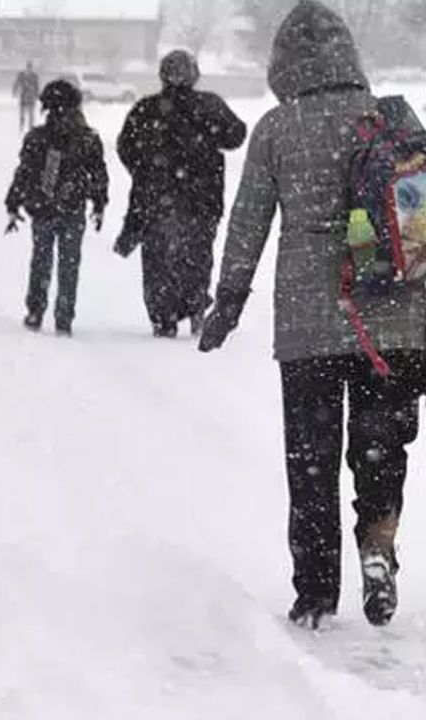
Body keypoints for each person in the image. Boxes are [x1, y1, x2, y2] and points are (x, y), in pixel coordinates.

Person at [200, 0, 426, 629]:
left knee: (312, 459)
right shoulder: (390, 120)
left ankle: (316, 592)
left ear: (283, 63)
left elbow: (247, 223)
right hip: (397, 320)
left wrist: (229, 300)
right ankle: (378, 547)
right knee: (381, 447)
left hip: (310, 324)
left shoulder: (278, 127)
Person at [116, 50, 247, 338]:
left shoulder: (146, 109)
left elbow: (125, 147)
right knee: (197, 255)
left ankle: (163, 316)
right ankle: (196, 304)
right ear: (194, 74)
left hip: (155, 199)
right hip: (203, 199)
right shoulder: (209, 105)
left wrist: (145, 170)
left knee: (157, 260)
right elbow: (236, 135)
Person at [4, 80, 108, 337]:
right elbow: (98, 174)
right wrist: (99, 203)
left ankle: (35, 310)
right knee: (69, 263)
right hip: (73, 209)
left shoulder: (37, 138)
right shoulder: (88, 139)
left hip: (43, 208)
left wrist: (14, 202)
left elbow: (24, 173)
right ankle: (64, 316)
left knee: (41, 259)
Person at [13, 61, 41, 135]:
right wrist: (15, 90)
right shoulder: (21, 75)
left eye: (30, 67)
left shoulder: (34, 76)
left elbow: (37, 86)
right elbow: (17, 83)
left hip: (31, 97)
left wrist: (37, 94)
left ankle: (30, 127)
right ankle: (22, 125)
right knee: (22, 112)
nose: (29, 69)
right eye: (28, 67)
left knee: (31, 113)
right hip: (24, 95)